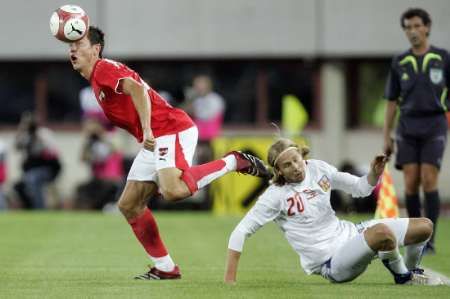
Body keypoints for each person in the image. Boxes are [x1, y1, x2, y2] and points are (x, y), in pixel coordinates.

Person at [68, 26, 271, 280]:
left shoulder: (102, 69)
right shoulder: (97, 79)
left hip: (170, 130)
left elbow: (137, 89)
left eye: (79, 44)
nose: (73, 49)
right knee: (129, 205)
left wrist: (147, 129)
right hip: (154, 137)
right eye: (71, 45)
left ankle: (234, 161)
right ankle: (165, 267)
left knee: (173, 191)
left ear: (95, 49)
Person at [224, 138, 442, 286]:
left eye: (296, 160)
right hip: (332, 262)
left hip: (350, 234)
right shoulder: (275, 195)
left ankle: (412, 273)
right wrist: (230, 279)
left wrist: (374, 174)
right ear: (279, 171)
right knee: (382, 232)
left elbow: (360, 188)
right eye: (287, 165)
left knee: (425, 227)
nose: (296, 167)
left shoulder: (318, 168)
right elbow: (241, 231)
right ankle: (403, 276)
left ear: (302, 155)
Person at [382, 8, 450, 254]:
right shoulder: (399, 62)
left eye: (416, 26)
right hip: (407, 125)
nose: (412, 31)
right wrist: (386, 135)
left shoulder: (443, 58)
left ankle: (429, 239)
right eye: (407, 27)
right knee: (411, 182)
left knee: (429, 179)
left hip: (435, 124)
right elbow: (391, 100)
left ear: (427, 27)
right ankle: (415, 237)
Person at [14, 112, 61, 209]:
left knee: (33, 178)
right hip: (31, 170)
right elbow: (17, 146)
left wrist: (38, 137)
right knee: (19, 185)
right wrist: (21, 130)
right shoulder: (26, 135)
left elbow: (53, 151)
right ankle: (29, 207)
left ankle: (40, 208)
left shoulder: (44, 133)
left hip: (48, 168)